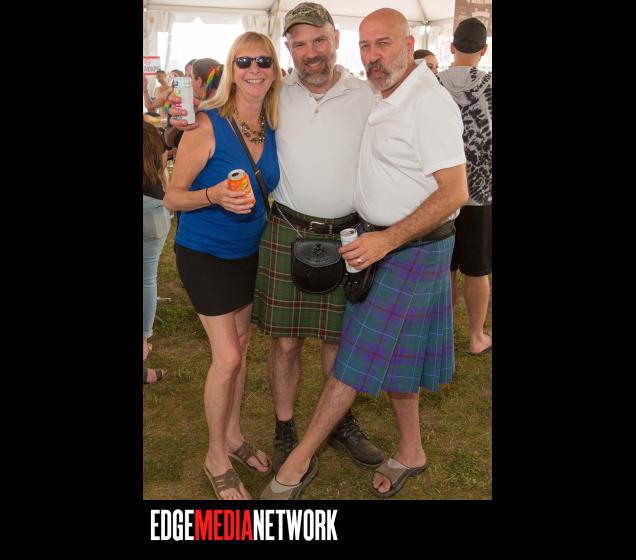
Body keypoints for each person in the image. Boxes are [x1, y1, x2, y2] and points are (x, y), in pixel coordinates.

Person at [260, 7, 468, 500]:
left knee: (353, 356)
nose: (374, 56)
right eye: (367, 46)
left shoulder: (420, 100)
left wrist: (385, 239)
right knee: (396, 357)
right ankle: (411, 450)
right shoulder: (386, 93)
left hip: (399, 245)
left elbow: (455, 191)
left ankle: (298, 460)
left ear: (409, 43)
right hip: (366, 240)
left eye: (384, 43)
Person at [168, 2, 384, 476]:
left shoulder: (359, 94)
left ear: (335, 40)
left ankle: (337, 422)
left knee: (333, 340)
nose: (310, 52)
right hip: (276, 234)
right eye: (299, 44)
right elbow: (177, 186)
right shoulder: (262, 101)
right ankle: (278, 430)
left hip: (324, 235)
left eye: (318, 40)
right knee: (271, 346)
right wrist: (184, 128)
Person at [162, 32, 282, 500]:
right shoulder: (206, 126)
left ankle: (232, 436)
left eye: (264, 61)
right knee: (227, 357)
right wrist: (213, 195)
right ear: (232, 69)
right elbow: (172, 196)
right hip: (204, 254)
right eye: (244, 61)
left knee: (243, 346)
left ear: (274, 71)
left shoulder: (273, 125)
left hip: (247, 253)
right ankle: (215, 456)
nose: (254, 69)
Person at [437, 18, 492, 356]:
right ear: (483, 51)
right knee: (477, 269)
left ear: (452, 47)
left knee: (444, 268)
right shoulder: (491, 87)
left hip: (439, 191)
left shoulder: (432, 85)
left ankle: (442, 337)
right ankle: (476, 337)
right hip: (479, 193)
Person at [143, 119, 172, 385]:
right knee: (147, 279)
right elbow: (163, 171)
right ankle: (143, 341)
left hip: (154, 208)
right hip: (153, 208)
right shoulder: (152, 132)